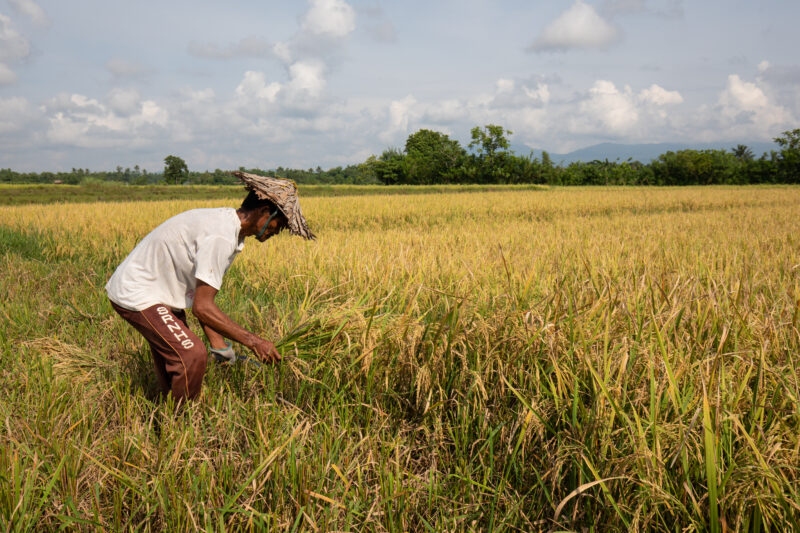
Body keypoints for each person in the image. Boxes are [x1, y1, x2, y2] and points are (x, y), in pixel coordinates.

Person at [106, 171, 315, 403]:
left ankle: (163, 415)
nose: (278, 231)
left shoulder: (228, 225)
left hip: (158, 290)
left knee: (174, 361)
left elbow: (200, 295)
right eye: (280, 224)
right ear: (265, 212)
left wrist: (218, 344)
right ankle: (180, 426)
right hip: (138, 292)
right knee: (191, 356)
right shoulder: (221, 236)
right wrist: (255, 342)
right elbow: (202, 308)